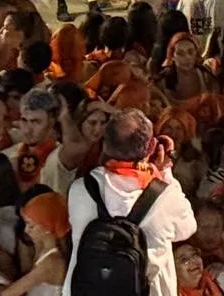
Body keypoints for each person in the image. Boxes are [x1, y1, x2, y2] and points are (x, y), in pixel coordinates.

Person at [64, 108, 196, 296]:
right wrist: (165, 171)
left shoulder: (80, 189)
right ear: (150, 148)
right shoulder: (166, 195)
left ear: (105, 145)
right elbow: (187, 228)